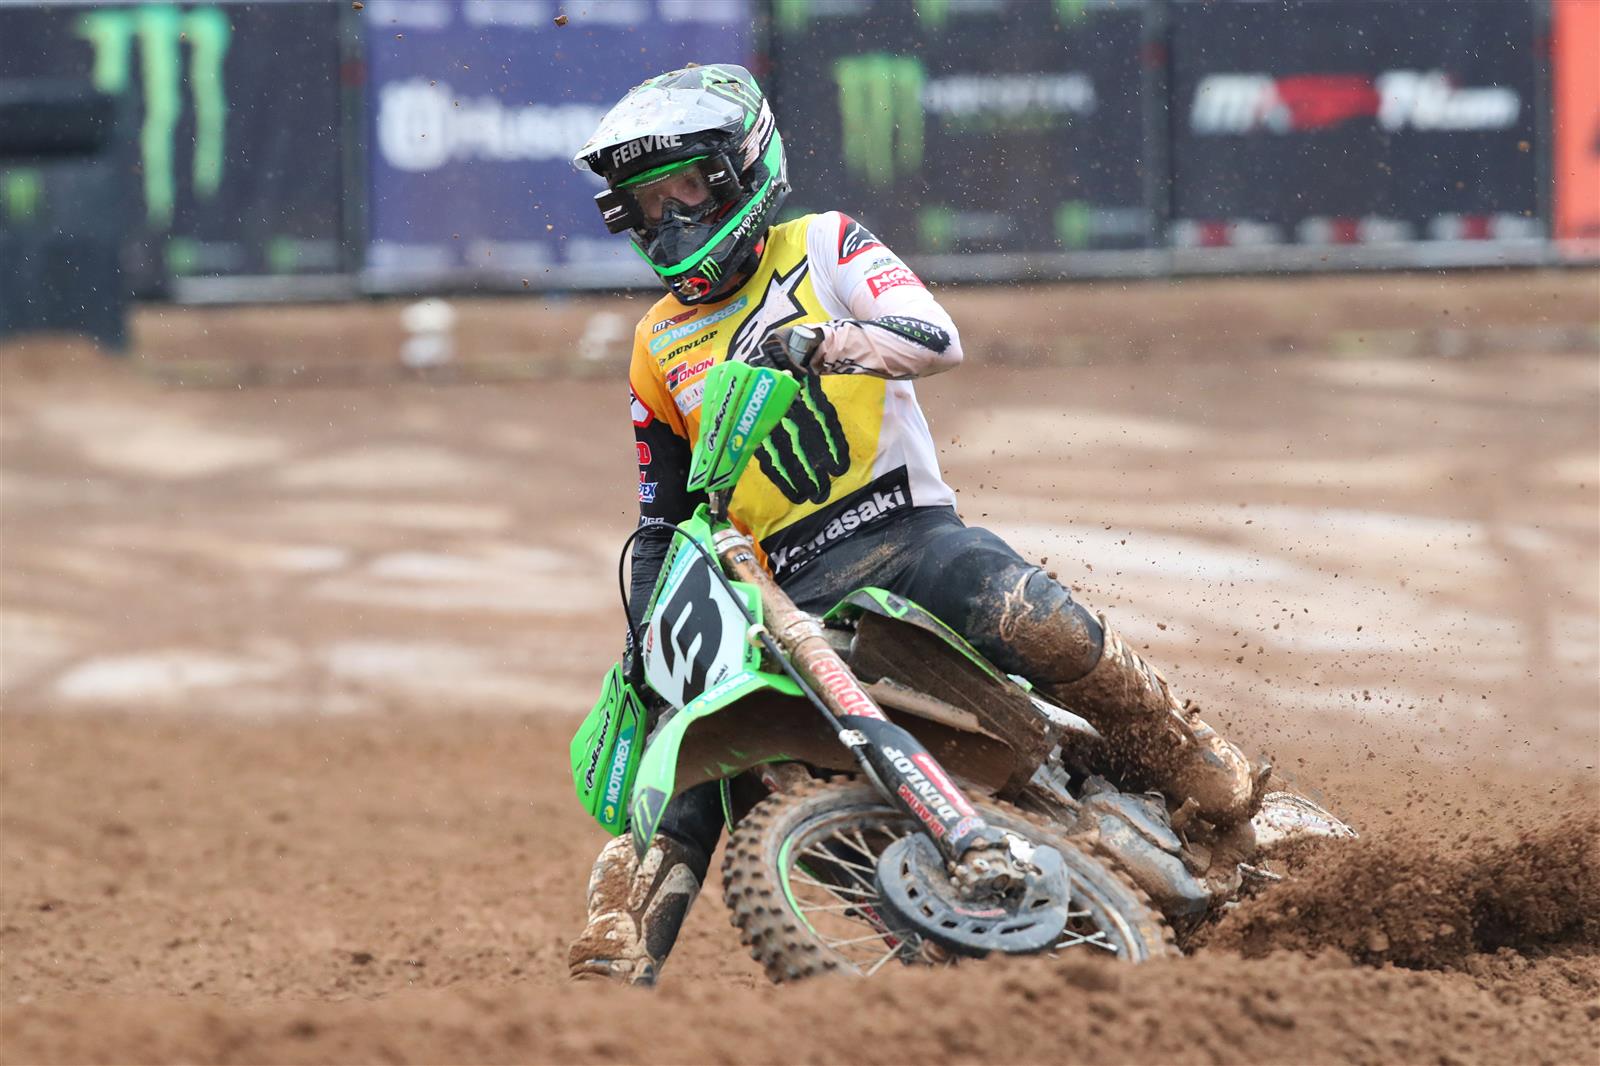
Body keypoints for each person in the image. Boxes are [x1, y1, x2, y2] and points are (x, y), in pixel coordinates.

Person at [565, 64, 1262, 985]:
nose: (670, 218)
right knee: (699, 767)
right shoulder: (657, 344)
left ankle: (1190, 756)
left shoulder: (822, 245)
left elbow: (935, 335)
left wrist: (822, 343)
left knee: (1026, 613)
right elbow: (663, 516)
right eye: (648, 204)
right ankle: (613, 970)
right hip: (779, 593)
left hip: (901, 534)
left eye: (685, 188)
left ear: (742, 172)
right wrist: (645, 642)